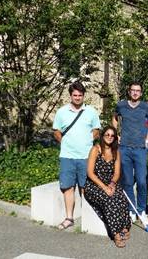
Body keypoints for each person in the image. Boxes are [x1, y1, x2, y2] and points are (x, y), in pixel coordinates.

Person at [53, 81, 100, 230]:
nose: (78, 98)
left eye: (80, 95)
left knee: (85, 186)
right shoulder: (61, 112)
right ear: (70, 95)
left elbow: (96, 130)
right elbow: (56, 131)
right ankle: (69, 218)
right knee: (67, 187)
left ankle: (88, 217)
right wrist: (66, 143)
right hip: (67, 156)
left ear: (83, 95)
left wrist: (86, 142)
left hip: (86, 156)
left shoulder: (91, 111)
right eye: (75, 95)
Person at [112, 82, 148, 224]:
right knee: (128, 181)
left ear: (141, 93)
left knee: (142, 181)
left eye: (138, 91)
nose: (135, 93)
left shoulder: (145, 107)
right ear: (129, 92)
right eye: (133, 90)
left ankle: (141, 210)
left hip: (140, 149)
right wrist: (115, 134)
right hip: (124, 148)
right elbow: (114, 118)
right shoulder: (121, 105)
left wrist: (147, 139)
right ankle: (132, 209)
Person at [84, 126, 131, 248]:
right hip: (94, 184)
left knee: (120, 197)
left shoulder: (116, 151)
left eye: (112, 135)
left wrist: (111, 184)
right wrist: (104, 188)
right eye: (107, 135)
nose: (109, 137)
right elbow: (90, 173)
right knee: (108, 200)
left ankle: (124, 227)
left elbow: (116, 173)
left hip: (110, 183)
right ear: (103, 136)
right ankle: (115, 234)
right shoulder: (95, 149)